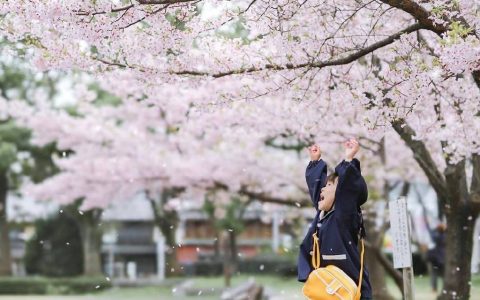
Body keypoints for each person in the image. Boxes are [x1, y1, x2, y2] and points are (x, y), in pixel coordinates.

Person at [297, 138, 373, 300]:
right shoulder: (324, 215)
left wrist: (348, 160)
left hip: (349, 290)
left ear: (341, 195)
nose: (323, 188)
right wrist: (315, 163)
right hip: (329, 290)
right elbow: (318, 192)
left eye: (330, 185)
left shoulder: (344, 216)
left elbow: (347, 191)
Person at [427, 223, 445, 293]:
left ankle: (434, 288)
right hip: (443, 259)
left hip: (436, 259)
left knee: (434, 274)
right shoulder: (446, 237)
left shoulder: (436, 236)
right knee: (443, 275)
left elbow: (431, 233)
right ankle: (443, 288)